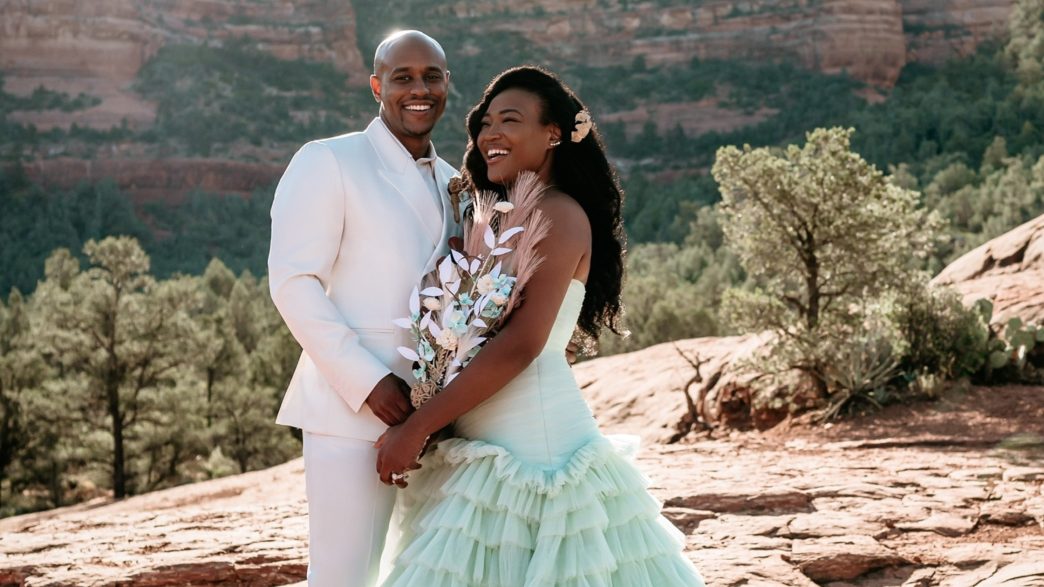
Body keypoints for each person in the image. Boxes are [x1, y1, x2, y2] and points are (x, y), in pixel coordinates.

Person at [374, 66, 705, 586]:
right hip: (483, 458)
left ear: (553, 134)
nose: (490, 134)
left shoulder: (558, 213)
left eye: (510, 120)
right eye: (484, 123)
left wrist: (414, 428)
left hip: (539, 463)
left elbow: (523, 344)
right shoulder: (498, 219)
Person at [267, 30, 458, 587]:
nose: (418, 88)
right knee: (344, 576)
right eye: (403, 77)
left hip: (439, 420)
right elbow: (293, 282)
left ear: (447, 85)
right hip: (349, 413)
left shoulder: (456, 183)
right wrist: (371, 383)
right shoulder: (329, 160)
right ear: (377, 85)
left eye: (432, 76)